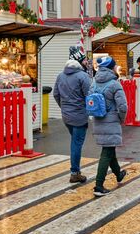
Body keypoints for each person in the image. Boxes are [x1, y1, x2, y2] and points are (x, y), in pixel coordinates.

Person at [90, 56, 128, 197]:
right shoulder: (114, 84)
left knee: (110, 148)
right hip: (111, 120)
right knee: (106, 153)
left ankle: (118, 174)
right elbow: (123, 106)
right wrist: (121, 119)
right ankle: (98, 186)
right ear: (111, 67)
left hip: (98, 120)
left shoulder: (94, 83)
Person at [53, 46, 91, 183]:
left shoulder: (61, 75)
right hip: (80, 116)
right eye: (84, 60)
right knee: (76, 144)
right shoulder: (83, 76)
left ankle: (76, 170)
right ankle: (75, 172)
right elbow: (89, 96)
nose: (87, 62)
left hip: (66, 116)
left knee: (74, 141)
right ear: (79, 62)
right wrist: (90, 111)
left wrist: (63, 107)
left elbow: (56, 94)